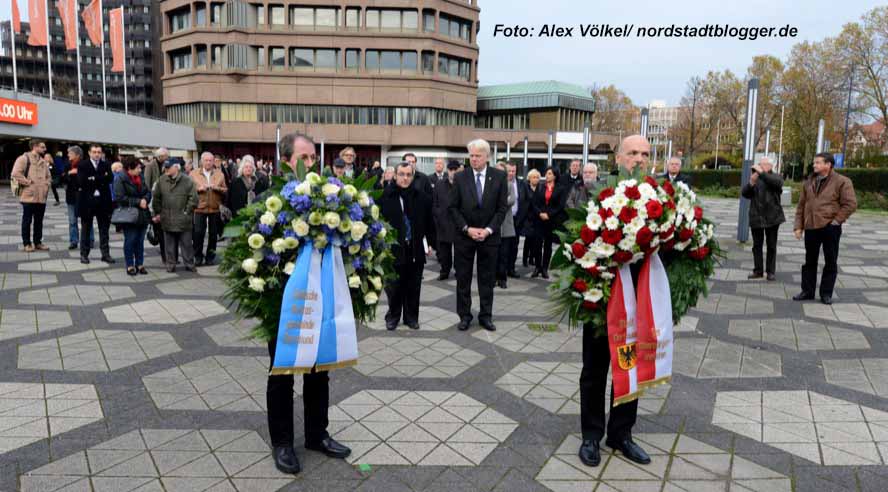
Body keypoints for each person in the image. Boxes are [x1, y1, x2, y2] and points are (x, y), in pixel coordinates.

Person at [267, 132, 351, 475]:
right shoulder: (270, 198)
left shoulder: (329, 198)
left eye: (314, 157)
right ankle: (283, 442)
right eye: (305, 157)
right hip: (286, 300)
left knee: (319, 370)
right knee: (283, 371)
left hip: (322, 298)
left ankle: (317, 433)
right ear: (287, 160)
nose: (311, 163)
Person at [578, 134, 653, 470]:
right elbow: (578, 238)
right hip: (603, 298)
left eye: (645, 154)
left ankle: (621, 433)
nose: (639, 159)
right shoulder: (597, 194)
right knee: (595, 369)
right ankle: (591, 435)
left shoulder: (657, 197)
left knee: (628, 366)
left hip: (637, 300)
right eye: (633, 153)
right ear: (619, 158)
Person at [448, 139, 509, 332]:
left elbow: (502, 209)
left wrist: (488, 230)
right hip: (465, 237)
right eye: (471, 156)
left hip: (489, 238)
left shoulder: (499, 177)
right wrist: (467, 228)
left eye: (477, 156)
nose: (473, 159)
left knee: (487, 279)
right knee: (463, 278)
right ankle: (464, 316)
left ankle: (486, 316)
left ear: (487, 157)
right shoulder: (460, 177)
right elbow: (453, 208)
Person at [792, 152, 857, 305]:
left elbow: (851, 204)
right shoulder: (808, 182)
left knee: (830, 261)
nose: (814, 165)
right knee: (809, 261)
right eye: (814, 162)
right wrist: (798, 226)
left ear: (828, 165)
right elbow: (801, 206)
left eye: (818, 163)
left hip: (830, 228)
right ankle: (807, 291)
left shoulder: (842, 181)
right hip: (811, 227)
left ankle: (826, 293)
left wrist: (836, 221)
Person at [380, 161, 436, 330]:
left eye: (408, 175)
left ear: (413, 176)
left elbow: (429, 223)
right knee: (394, 286)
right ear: (395, 175)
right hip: (393, 250)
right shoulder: (384, 197)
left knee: (413, 286)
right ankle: (393, 316)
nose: (405, 178)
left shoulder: (422, 197)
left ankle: (411, 317)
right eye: (402, 174)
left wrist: (431, 243)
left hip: (415, 248)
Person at [741, 157, 785, 281]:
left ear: (769, 166)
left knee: (771, 245)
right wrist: (751, 183)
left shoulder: (776, 177)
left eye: (761, 164)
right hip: (756, 216)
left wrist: (762, 173)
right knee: (757, 246)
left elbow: (777, 184)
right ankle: (758, 270)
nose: (758, 166)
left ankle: (770, 271)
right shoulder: (756, 177)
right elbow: (745, 193)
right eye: (759, 164)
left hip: (773, 216)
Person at [152, 161, 198, 273]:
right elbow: (156, 198)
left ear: (176, 168)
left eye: (168, 167)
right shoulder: (161, 180)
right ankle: (171, 264)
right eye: (165, 167)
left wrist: (186, 212)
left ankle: (189, 264)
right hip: (167, 218)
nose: (166, 169)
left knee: (186, 244)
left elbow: (194, 199)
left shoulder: (187, 180)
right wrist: (158, 213)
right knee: (169, 245)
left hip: (183, 218)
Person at [11, 139, 51, 252]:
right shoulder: (23, 158)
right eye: (42, 147)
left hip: (41, 197)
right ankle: (27, 244)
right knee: (27, 221)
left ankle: (38, 242)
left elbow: (49, 176)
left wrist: (46, 185)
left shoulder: (43, 161)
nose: (45, 149)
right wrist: (27, 182)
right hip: (28, 196)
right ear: (35, 147)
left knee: (39, 221)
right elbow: (15, 173)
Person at [78, 144, 115, 264]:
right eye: (94, 152)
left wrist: (93, 178)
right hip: (87, 202)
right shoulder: (83, 165)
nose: (97, 154)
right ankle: (84, 255)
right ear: (89, 153)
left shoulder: (106, 164)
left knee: (104, 230)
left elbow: (110, 178)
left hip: (103, 202)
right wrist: (100, 178)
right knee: (86, 230)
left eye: (99, 152)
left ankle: (105, 254)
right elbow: (82, 181)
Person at [114, 157, 152, 276]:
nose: (140, 170)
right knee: (130, 240)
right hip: (129, 215)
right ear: (130, 168)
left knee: (140, 241)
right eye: (138, 168)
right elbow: (119, 198)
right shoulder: (120, 178)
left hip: (142, 214)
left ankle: (139, 264)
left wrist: (145, 199)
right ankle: (130, 265)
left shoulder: (140, 177)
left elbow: (147, 191)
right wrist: (138, 201)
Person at [190, 151, 227, 266]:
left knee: (213, 235)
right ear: (201, 161)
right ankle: (198, 256)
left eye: (211, 160)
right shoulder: (193, 174)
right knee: (198, 233)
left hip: (214, 208)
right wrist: (198, 189)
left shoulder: (220, 174)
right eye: (206, 160)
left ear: (213, 161)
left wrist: (217, 188)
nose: (208, 162)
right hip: (199, 208)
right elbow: (188, 190)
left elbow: (225, 190)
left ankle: (210, 257)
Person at [532, 167, 567, 279]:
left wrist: (549, 214)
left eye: (549, 174)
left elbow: (560, 206)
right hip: (539, 219)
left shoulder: (561, 189)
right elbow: (534, 203)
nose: (546, 175)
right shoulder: (540, 186)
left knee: (548, 245)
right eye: (546, 173)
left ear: (555, 176)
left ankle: (545, 268)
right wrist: (540, 213)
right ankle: (537, 267)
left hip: (552, 220)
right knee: (537, 244)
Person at [62, 146, 93, 251]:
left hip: (84, 196)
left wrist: (78, 172)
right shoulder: (67, 165)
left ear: (77, 155)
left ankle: (90, 240)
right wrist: (69, 174)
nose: (68, 155)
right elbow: (62, 179)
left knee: (87, 219)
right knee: (72, 220)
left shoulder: (86, 164)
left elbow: (90, 179)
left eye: (70, 153)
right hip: (71, 196)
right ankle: (74, 241)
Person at [433, 160, 460, 280]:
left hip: (458, 224)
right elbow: (434, 202)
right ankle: (444, 271)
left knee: (460, 251)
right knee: (444, 251)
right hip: (443, 222)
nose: (453, 172)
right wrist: (438, 215)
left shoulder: (463, 184)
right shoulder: (439, 184)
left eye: (455, 170)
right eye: (451, 170)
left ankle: (459, 271)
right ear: (447, 170)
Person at [503, 162, 529, 279]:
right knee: (504, 247)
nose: (511, 173)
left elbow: (525, 202)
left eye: (513, 171)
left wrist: (521, 218)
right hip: (504, 220)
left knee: (514, 246)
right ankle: (501, 270)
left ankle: (511, 269)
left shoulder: (521, 183)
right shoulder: (501, 183)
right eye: (509, 171)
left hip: (517, 220)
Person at [494, 162, 516, 289]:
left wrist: (499, 203)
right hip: (494, 226)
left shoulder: (509, 185)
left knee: (504, 254)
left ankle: (502, 279)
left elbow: (512, 200)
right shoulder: (490, 186)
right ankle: (493, 278)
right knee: (493, 255)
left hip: (506, 226)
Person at [522, 169, 542, 269]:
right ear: (529, 178)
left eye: (537, 177)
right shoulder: (525, 187)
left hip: (537, 217)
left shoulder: (540, 188)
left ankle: (532, 258)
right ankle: (525, 259)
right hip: (528, 217)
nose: (536, 179)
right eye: (533, 177)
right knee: (528, 239)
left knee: (535, 240)